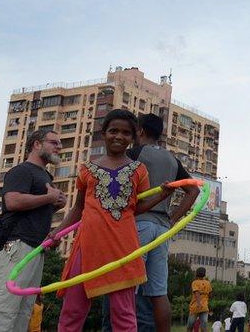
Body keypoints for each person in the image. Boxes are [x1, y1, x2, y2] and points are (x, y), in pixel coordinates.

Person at [53, 109, 173, 331]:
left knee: (124, 314)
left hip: (122, 248)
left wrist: (162, 196)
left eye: (126, 133)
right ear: (103, 133)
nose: (119, 136)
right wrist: (57, 233)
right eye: (113, 131)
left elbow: (135, 208)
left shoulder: (139, 170)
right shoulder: (87, 169)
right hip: (87, 245)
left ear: (133, 136)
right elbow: (78, 207)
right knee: (72, 310)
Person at [0, 129, 65, 332]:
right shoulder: (23, 170)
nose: (59, 146)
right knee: (0, 308)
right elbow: (12, 201)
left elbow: (32, 212)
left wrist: (54, 206)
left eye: (59, 143)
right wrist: (49, 199)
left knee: (22, 313)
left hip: (34, 250)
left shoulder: (45, 175)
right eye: (54, 142)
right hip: (16, 246)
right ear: (37, 144)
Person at [132, 113, 201, 332]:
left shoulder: (133, 154)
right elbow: (193, 190)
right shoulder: (172, 159)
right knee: (158, 291)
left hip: (139, 223)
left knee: (128, 285)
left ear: (140, 131)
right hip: (162, 228)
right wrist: (173, 218)